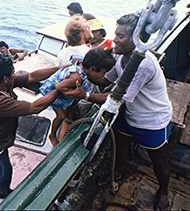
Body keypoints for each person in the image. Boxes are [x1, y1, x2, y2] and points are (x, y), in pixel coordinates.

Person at [63, 14, 172, 211]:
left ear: (137, 38)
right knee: (120, 146)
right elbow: (107, 80)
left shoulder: (143, 65)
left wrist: (85, 96)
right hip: (130, 116)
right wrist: (84, 75)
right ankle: (118, 171)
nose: (116, 40)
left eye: (120, 36)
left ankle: (163, 191)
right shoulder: (119, 56)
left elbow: (116, 97)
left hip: (152, 121)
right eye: (116, 34)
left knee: (159, 160)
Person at [0, 54, 66, 199]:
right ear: (6, 78)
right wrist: (58, 89)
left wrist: (60, 69)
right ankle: (3, 192)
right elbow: (35, 107)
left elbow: (31, 77)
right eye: (13, 73)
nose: (15, 75)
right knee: (5, 170)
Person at [40, 48, 115, 147]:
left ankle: (67, 114)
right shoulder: (76, 77)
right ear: (92, 69)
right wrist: (69, 93)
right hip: (52, 92)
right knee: (61, 116)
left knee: (72, 104)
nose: (104, 76)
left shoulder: (82, 66)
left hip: (64, 89)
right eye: (103, 73)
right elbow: (59, 86)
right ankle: (52, 135)